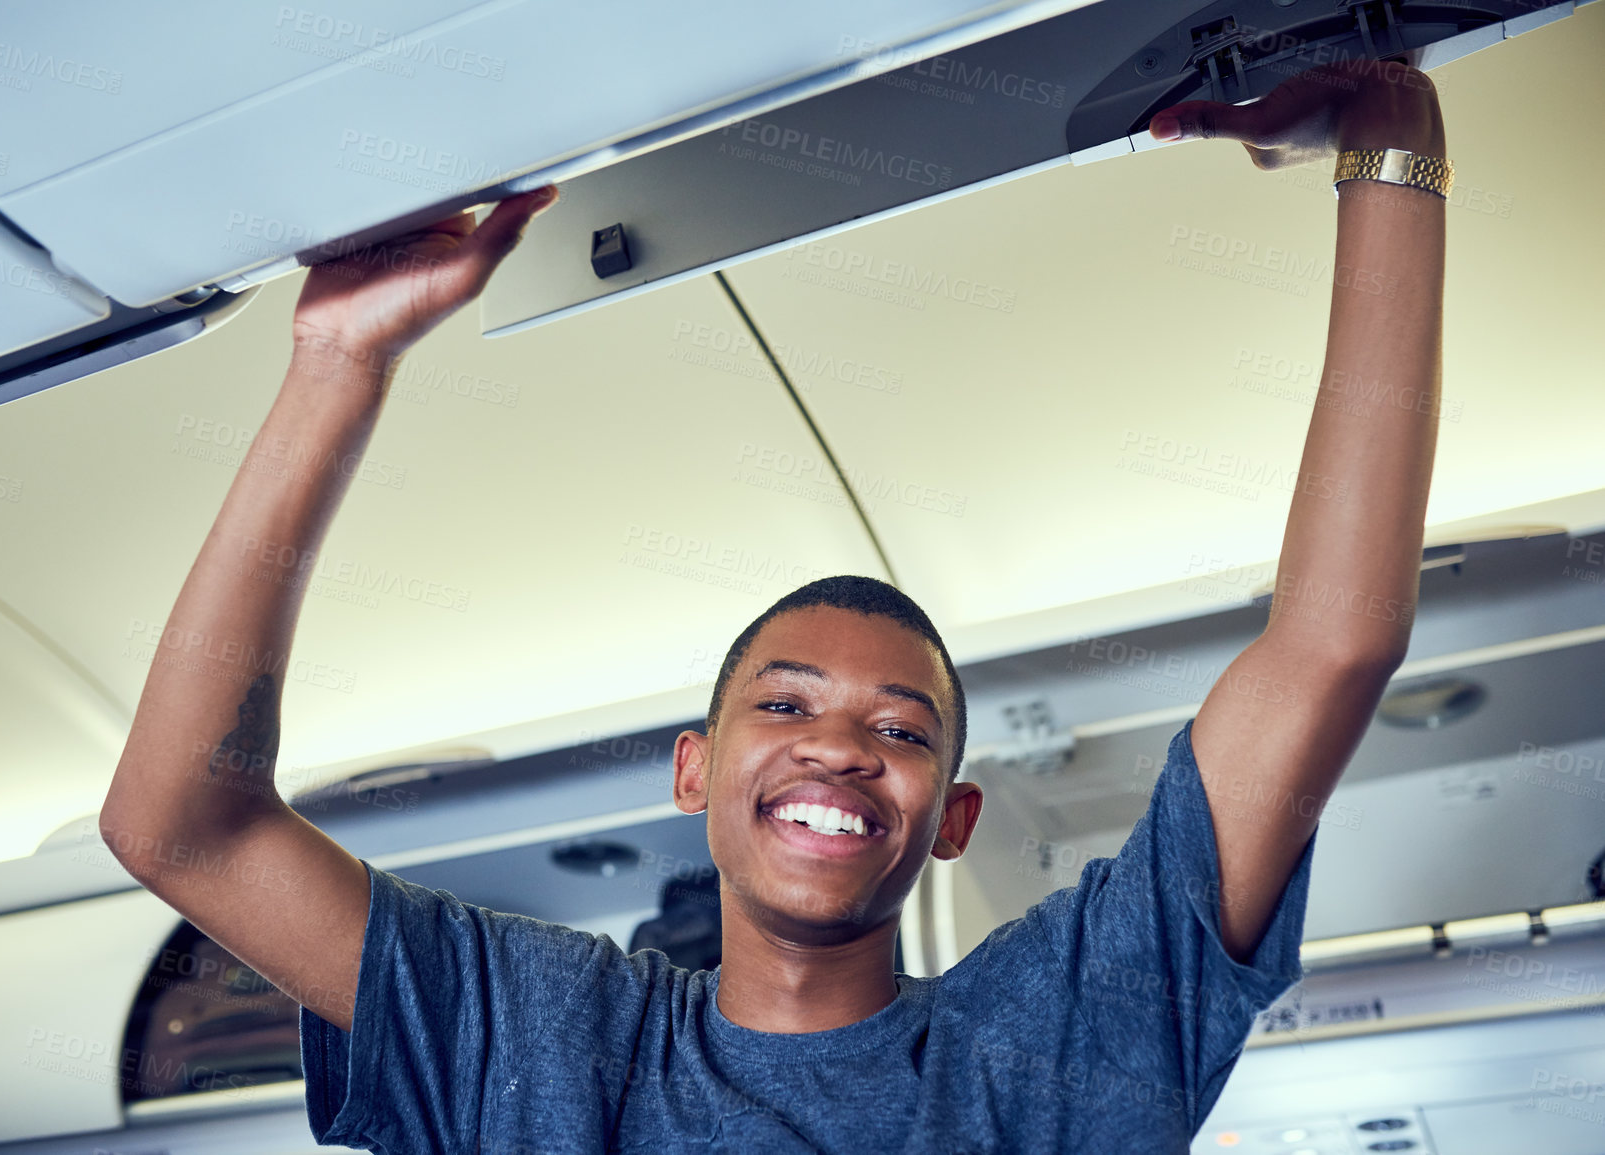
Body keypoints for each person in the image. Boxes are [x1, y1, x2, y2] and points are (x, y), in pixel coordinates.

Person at [101, 54, 1448, 1153]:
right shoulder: (539, 1036)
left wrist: (1396, 133)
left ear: (952, 824)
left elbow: (1333, 644)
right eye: (786, 703)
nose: (840, 744)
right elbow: (180, 826)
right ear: (697, 768)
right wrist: (338, 361)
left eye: (905, 731)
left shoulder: (1045, 1052)